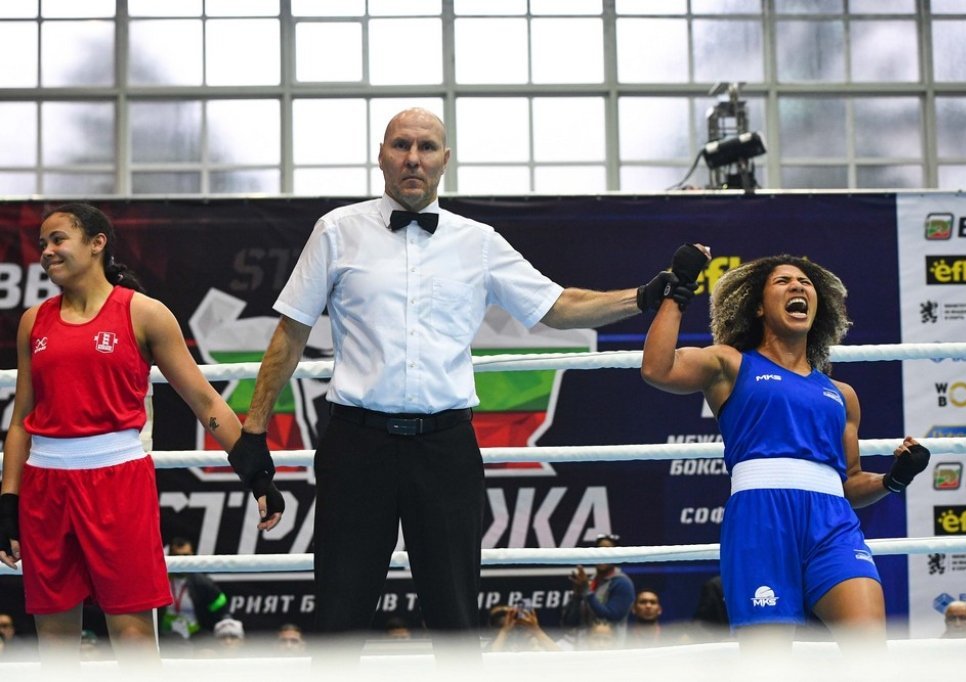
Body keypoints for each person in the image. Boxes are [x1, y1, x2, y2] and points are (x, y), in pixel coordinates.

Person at [239, 107, 678, 661]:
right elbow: (291, 331)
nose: (413, 158)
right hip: (356, 445)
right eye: (401, 145)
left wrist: (646, 296)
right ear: (381, 156)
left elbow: (559, 306)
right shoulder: (336, 230)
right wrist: (254, 431)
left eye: (426, 147)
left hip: (445, 449)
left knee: (455, 624)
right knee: (337, 621)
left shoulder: (479, 242)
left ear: (445, 160)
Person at [0, 203, 285, 670]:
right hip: (44, 486)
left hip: (117, 482)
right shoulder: (35, 321)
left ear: (97, 243)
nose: (47, 251)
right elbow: (20, 420)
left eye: (58, 239)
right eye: (42, 243)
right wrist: (8, 500)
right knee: (54, 641)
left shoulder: (144, 314)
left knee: (133, 635)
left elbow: (205, 401)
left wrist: (257, 474)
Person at [641, 247, 931, 653]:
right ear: (759, 307)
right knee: (768, 664)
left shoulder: (841, 395)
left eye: (805, 283)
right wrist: (680, 288)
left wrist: (894, 478)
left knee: (869, 650)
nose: (798, 286)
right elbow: (657, 369)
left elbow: (850, 483)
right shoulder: (730, 364)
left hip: (833, 522)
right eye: (783, 281)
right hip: (761, 518)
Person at [562, 533, 636, 647]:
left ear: (616, 556)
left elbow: (610, 617)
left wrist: (587, 591)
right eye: (599, 550)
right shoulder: (589, 581)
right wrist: (577, 596)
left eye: (607, 551)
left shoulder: (622, 583)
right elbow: (569, 624)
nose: (602, 554)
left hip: (610, 649)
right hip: (584, 649)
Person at [159, 537, 230, 642]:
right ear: (169, 557)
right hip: (164, 638)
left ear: (192, 556)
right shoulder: (158, 581)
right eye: (177, 556)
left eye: (185, 556)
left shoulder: (203, 583)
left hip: (196, 639)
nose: (181, 561)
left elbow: (222, 611)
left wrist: (227, 626)